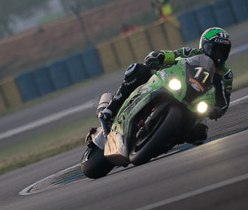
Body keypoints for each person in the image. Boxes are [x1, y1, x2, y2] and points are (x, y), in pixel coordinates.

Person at [99, 27, 234, 138]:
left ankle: (163, 140)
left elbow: (224, 101)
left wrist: (217, 110)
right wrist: (158, 56)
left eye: (223, 51)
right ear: (204, 46)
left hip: (195, 103)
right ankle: (111, 108)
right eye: (215, 49)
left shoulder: (225, 74)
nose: (218, 55)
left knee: (200, 134)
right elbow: (172, 55)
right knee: (137, 70)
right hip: (176, 85)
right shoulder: (191, 53)